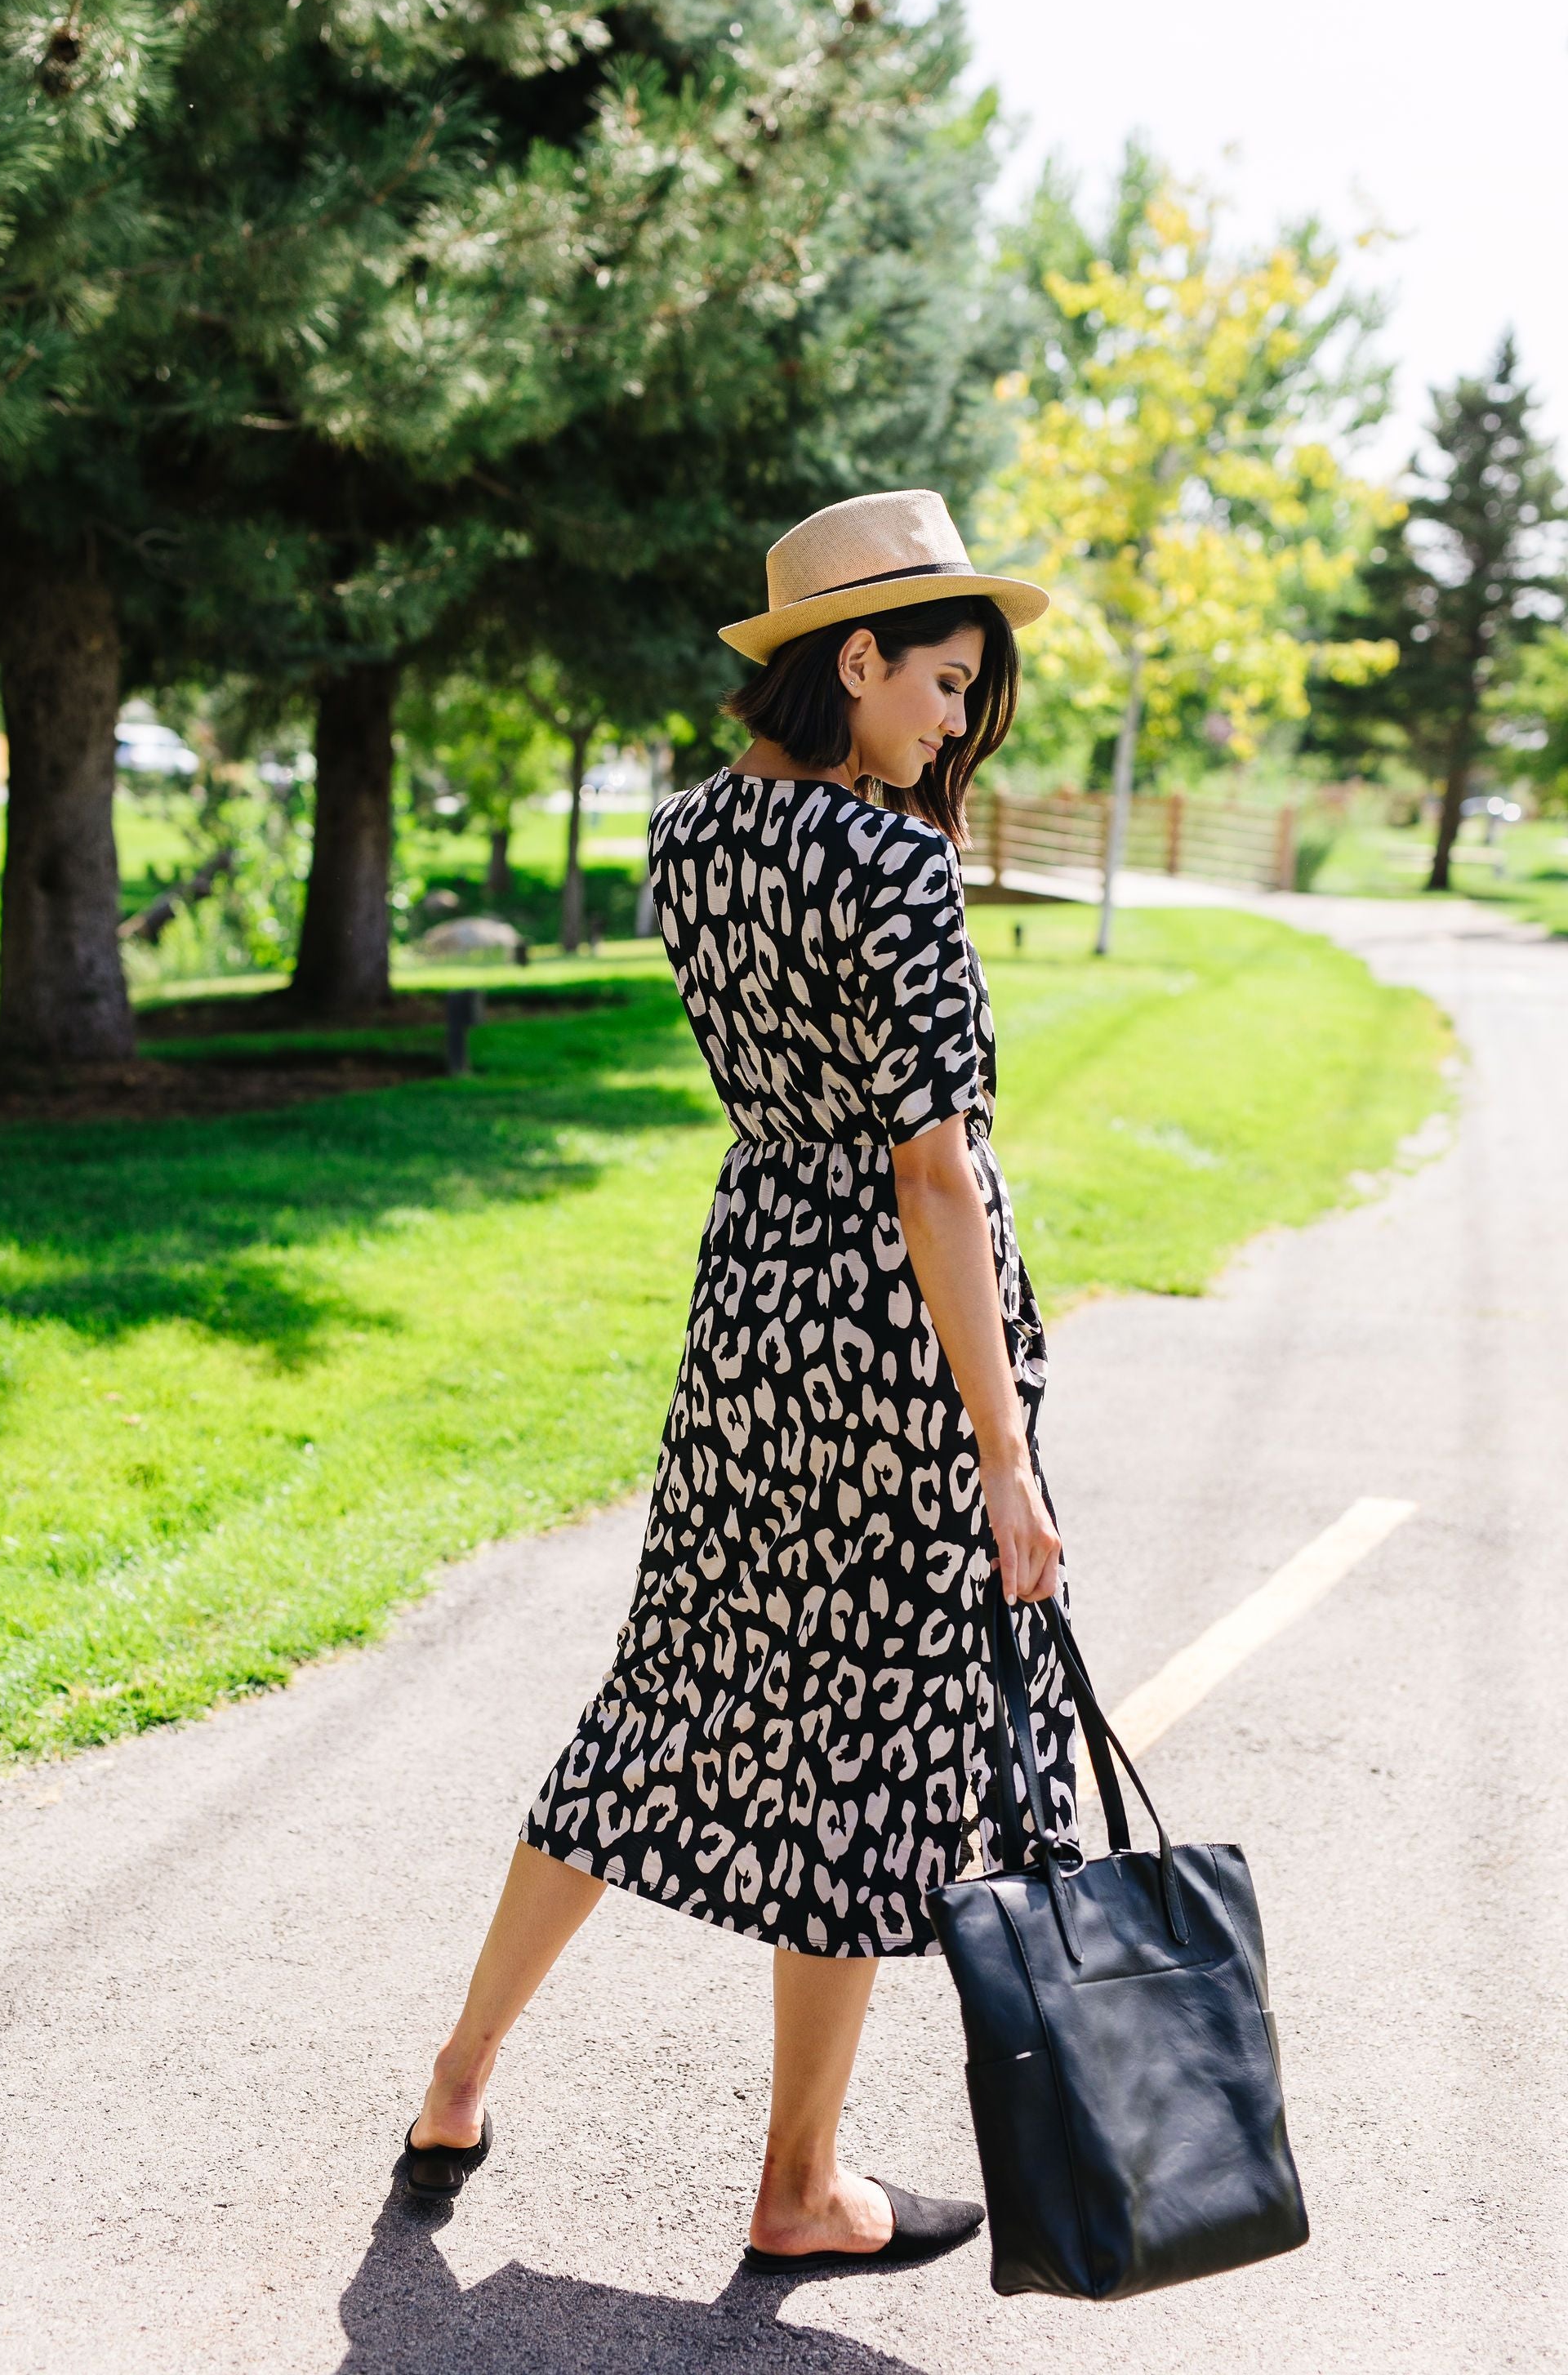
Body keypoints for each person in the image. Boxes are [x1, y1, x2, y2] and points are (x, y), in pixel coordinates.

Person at [403, 488, 1077, 2270]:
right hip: (883, 1343)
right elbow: (931, 1169)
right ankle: (798, 2186)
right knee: (865, 1760)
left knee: (668, 1692)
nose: (953, 726)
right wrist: (1001, 1451)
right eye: (941, 686)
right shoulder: (894, 864)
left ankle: (458, 2078)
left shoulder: (693, 838)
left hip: (750, 1317)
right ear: (852, 660)